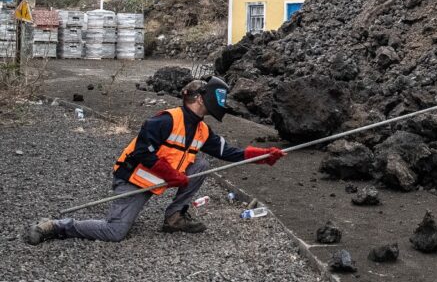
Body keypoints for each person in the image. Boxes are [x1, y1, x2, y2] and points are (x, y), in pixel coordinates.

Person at [25, 76, 284, 244]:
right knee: (114, 232)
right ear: (197, 98)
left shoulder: (202, 130)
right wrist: (170, 175)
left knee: (202, 165)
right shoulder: (166, 120)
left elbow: (230, 153)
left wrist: (265, 155)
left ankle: (175, 218)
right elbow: (141, 153)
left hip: (161, 178)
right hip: (135, 180)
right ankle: (58, 227)